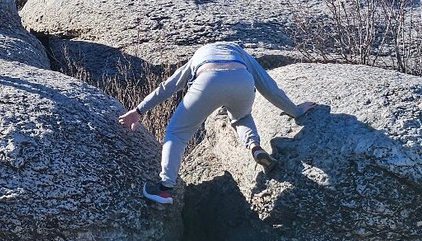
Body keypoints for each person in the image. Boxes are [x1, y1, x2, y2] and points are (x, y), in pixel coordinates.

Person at [118, 42, 316, 205]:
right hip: (242, 79)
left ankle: (164, 188)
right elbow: (269, 88)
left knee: (176, 133)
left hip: (208, 77)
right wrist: (296, 111)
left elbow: (168, 86)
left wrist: (138, 111)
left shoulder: (200, 54)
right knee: (242, 118)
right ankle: (254, 146)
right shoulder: (239, 52)